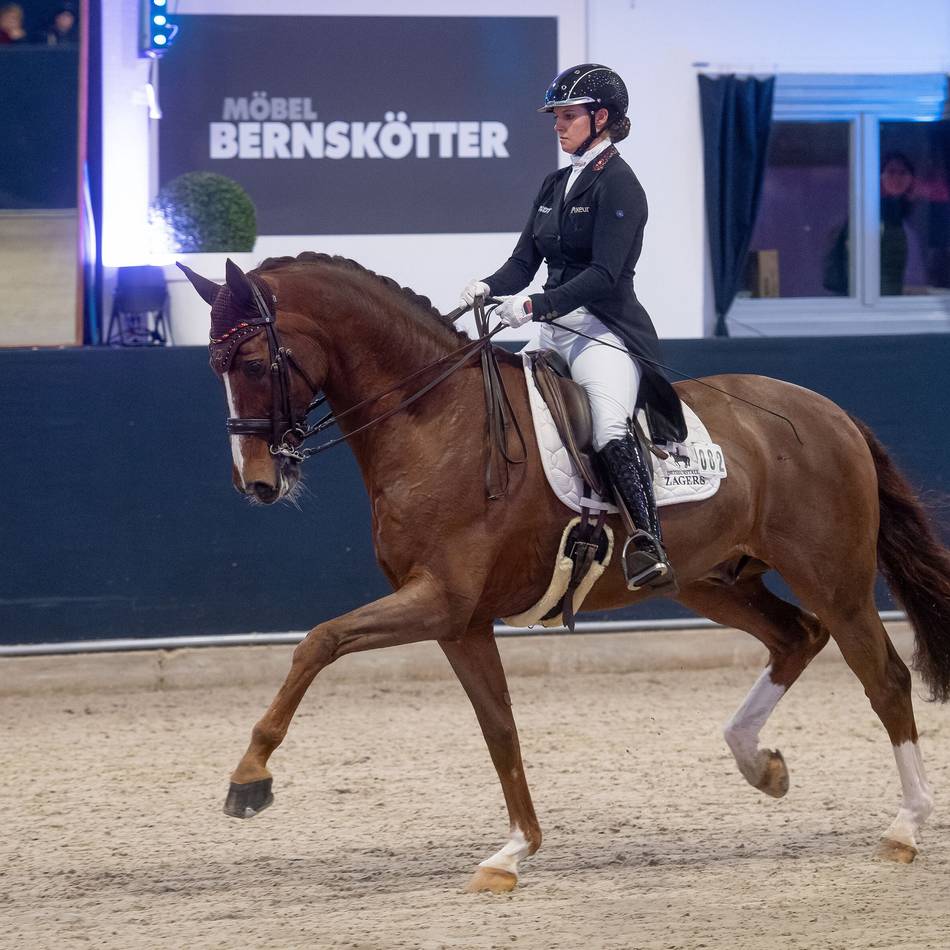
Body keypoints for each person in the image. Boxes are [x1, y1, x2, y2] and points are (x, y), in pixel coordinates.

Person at [459, 64, 686, 592]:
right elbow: (523, 263)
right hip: (553, 329)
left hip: (604, 330)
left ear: (600, 118)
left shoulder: (621, 185)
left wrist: (537, 307)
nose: (558, 126)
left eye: (567, 117)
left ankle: (647, 541)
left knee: (607, 424)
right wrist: (490, 288)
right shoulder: (556, 183)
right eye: (556, 118)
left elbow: (604, 276)